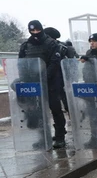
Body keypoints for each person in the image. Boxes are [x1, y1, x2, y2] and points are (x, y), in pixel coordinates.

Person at [19, 21, 67, 149]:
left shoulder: (51, 43)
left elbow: (54, 62)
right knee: (38, 111)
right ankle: (43, 137)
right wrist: (25, 79)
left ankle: (60, 137)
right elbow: (21, 63)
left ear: (41, 29)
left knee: (55, 109)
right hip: (34, 84)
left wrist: (44, 77)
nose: (35, 33)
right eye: (32, 31)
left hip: (50, 83)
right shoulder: (26, 45)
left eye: (37, 30)